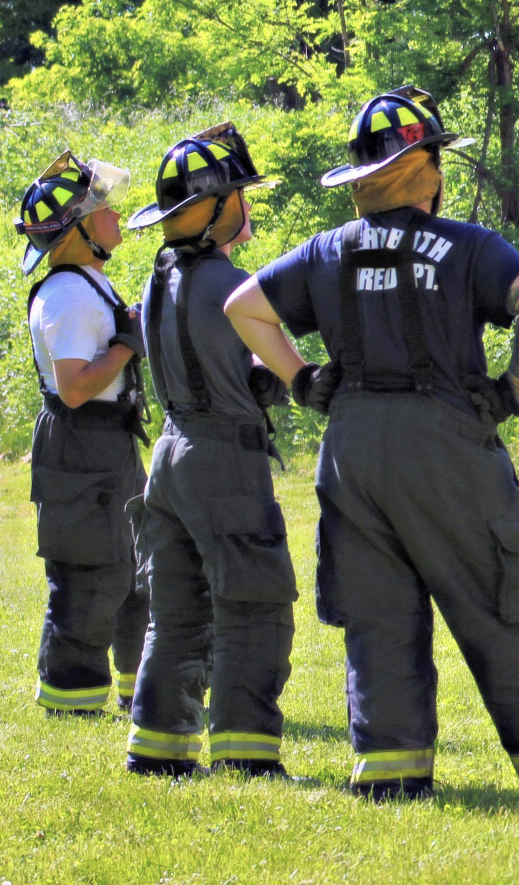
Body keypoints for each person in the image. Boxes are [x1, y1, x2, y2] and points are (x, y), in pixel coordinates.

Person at [224, 86, 519, 798]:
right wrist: (513, 386)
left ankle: (390, 774)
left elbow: (244, 308)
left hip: (350, 448)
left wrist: (300, 380)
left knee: (377, 615)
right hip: (442, 444)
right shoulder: (468, 245)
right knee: (504, 596)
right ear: (428, 170)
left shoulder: (326, 250)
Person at [122, 124, 298, 778]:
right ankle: (247, 756)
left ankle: (157, 749)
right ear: (218, 204)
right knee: (253, 606)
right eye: (240, 197)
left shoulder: (155, 279)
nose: (247, 209)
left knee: (175, 613)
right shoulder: (231, 285)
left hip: (168, 459)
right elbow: (275, 371)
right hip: (223, 458)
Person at [15, 152, 150, 715]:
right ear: (77, 231)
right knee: (90, 570)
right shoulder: (70, 295)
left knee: (130, 564)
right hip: (83, 440)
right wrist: (128, 343)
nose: (115, 216)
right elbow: (74, 388)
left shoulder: (88, 281)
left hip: (107, 440)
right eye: (103, 209)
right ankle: (71, 698)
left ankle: (132, 686)